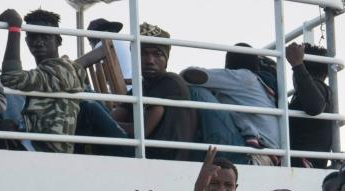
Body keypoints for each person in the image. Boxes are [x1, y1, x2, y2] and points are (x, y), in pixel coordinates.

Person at [0, 8, 86, 153]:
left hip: (47, 151)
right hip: (34, 145)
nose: (38, 43)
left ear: (58, 41)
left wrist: (14, 28)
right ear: (27, 41)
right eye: (33, 37)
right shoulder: (42, 73)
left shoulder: (63, 69)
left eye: (45, 37)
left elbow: (11, 78)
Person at [111, 23, 196, 161]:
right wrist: (107, 122)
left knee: (90, 110)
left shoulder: (170, 82)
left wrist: (109, 124)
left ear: (166, 60)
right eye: (143, 54)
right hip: (146, 153)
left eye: (157, 55)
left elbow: (141, 131)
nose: (150, 61)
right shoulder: (142, 86)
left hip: (162, 158)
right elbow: (116, 115)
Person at [182, 43, 279, 150]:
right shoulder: (262, 87)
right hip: (267, 153)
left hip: (250, 152)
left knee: (196, 91)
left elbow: (190, 75)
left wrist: (172, 82)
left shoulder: (244, 77)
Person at [286, 42, 334, 166]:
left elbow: (315, 107)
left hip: (304, 163)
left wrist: (297, 66)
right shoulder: (321, 91)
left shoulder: (318, 87)